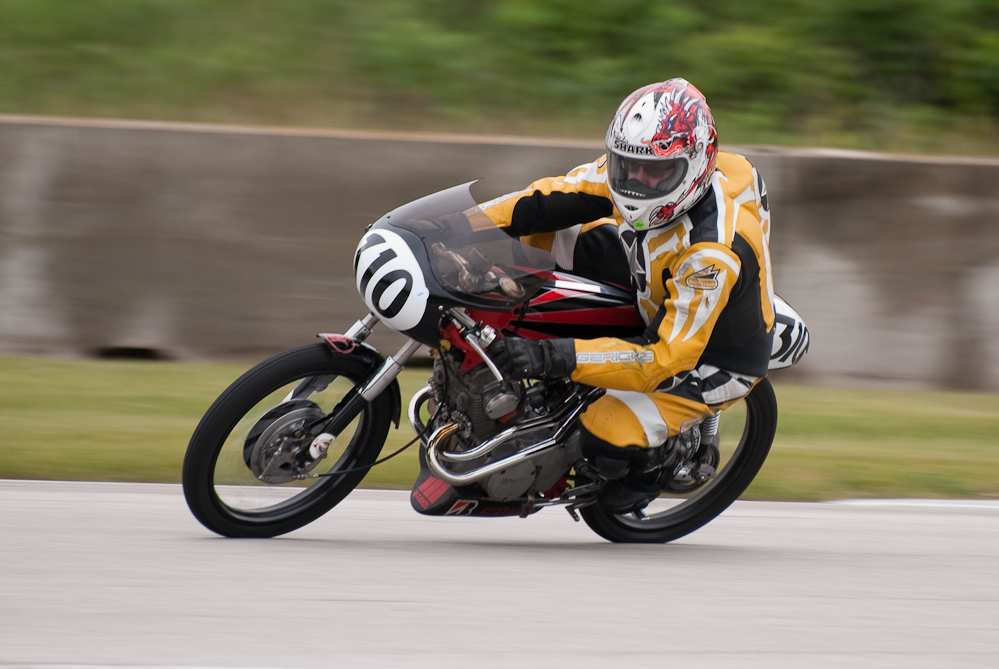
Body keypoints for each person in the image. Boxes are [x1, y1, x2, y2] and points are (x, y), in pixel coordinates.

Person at [479, 78, 776, 511]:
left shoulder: (712, 253)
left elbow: (664, 357)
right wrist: (458, 227)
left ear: (694, 167)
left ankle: (652, 471)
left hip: (709, 356)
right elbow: (546, 197)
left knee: (603, 433)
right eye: (626, 164)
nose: (636, 179)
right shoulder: (640, 165)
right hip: (651, 276)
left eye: (656, 171)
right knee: (541, 235)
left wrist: (554, 356)